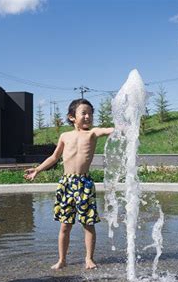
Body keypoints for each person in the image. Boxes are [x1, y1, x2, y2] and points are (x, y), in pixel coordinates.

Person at [24, 99, 113, 270]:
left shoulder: (92, 134)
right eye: (84, 113)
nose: (88, 117)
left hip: (84, 183)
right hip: (66, 183)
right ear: (72, 117)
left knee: (88, 223)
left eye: (90, 113)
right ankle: (62, 259)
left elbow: (108, 130)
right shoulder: (65, 136)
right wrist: (38, 170)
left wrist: (122, 128)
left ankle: (89, 258)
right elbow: (54, 157)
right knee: (65, 225)